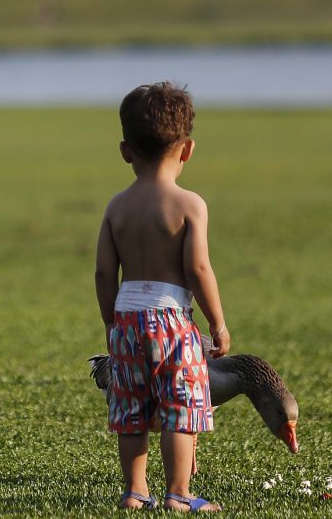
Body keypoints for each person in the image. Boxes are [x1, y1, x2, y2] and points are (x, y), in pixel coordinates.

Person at [95, 82, 230, 512]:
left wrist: (111, 323)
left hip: (126, 319)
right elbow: (198, 269)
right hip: (173, 321)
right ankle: (179, 492)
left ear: (125, 151)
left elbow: (102, 271)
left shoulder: (116, 207)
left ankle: (135, 492)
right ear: (187, 150)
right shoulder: (190, 205)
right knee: (181, 406)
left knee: (131, 409)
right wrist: (218, 323)